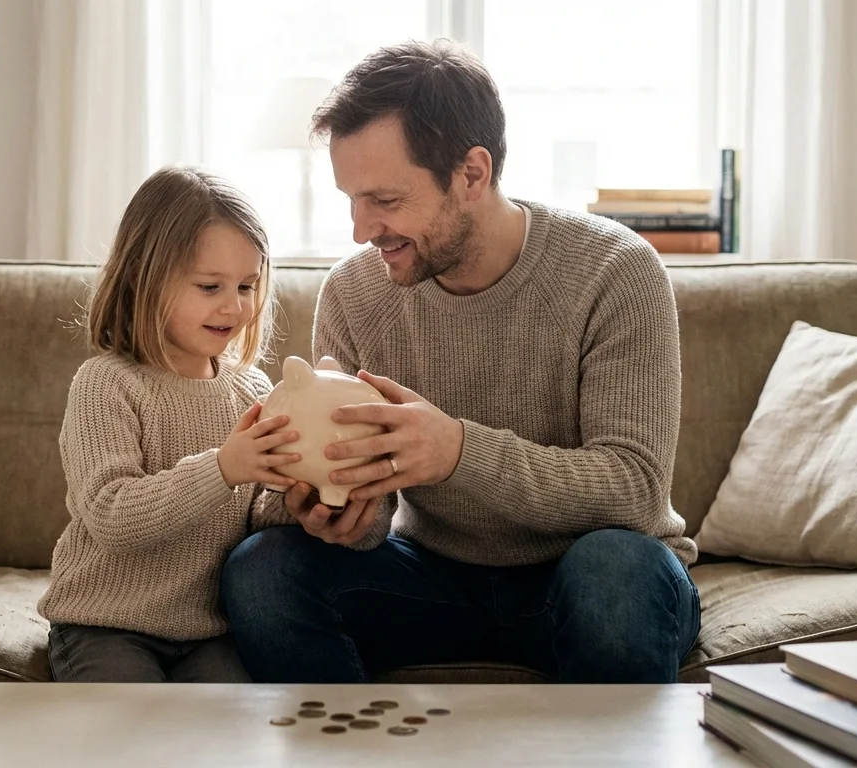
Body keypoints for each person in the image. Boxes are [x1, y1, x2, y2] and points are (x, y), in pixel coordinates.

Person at [220, 40, 701, 685]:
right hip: (428, 578)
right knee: (263, 567)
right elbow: (372, 518)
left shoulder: (616, 271)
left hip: (585, 573)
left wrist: (457, 452)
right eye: (352, 200)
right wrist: (338, 515)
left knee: (617, 571)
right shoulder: (354, 293)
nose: (362, 229)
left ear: (471, 174)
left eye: (385, 201)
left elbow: (633, 488)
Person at [40, 166, 347, 682]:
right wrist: (224, 467)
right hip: (105, 627)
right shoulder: (106, 385)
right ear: (144, 276)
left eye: (248, 285)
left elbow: (253, 521)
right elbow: (113, 517)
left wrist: (296, 502)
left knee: (235, 733)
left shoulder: (250, 391)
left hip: (209, 634)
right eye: (209, 286)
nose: (234, 306)